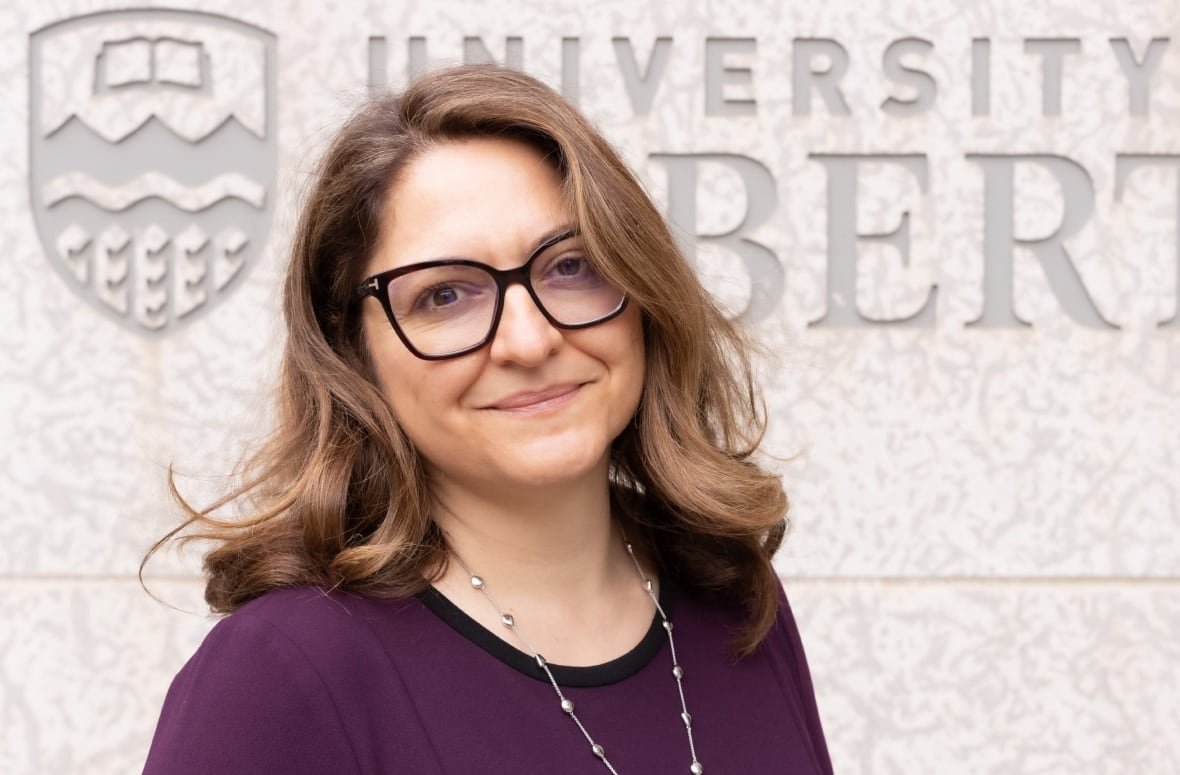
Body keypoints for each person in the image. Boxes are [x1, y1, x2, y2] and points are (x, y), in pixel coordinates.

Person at [143, 63, 833, 775]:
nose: (530, 341)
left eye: (571, 265)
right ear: (353, 350)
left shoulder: (734, 600)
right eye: (445, 295)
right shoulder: (281, 676)